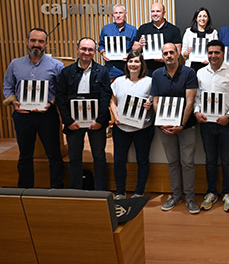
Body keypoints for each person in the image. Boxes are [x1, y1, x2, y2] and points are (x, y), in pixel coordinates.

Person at [2, 28, 64, 188]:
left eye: (41, 41)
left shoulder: (57, 65)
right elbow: (7, 86)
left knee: (54, 155)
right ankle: (25, 190)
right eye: (33, 40)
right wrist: (14, 102)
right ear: (27, 42)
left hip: (47, 115)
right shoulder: (15, 64)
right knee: (25, 155)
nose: (37, 44)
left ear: (46, 44)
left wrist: (50, 103)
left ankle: (56, 190)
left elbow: (62, 89)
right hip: (23, 116)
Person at [56, 37, 112, 190]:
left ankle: (101, 191)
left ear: (95, 52)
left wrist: (100, 120)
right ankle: (76, 191)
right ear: (77, 49)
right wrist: (68, 121)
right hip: (74, 123)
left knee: (99, 156)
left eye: (90, 49)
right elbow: (61, 98)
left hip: (97, 123)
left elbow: (105, 96)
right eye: (83, 49)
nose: (86, 52)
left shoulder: (102, 71)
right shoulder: (66, 72)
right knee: (74, 158)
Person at [151, 43, 199, 213]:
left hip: (186, 127)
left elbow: (190, 101)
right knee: (172, 162)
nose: (169, 55)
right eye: (166, 53)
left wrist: (182, 124)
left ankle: (191, 199)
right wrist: (162, 121)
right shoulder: (157, 74)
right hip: (164, 128)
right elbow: (155, 101)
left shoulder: (189, 73)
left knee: (187, 163)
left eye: (172, 52)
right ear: (162, 56)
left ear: (178, 53)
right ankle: (176, 195)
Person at [194, 40, 229, 213]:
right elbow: (197, 97)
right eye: (210, 52)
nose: (213, 56)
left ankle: (227, 194)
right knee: (210, 160)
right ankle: (211, 192)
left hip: (226, 124)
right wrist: (196, 112)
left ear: (223, 53)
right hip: (206, 124)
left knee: (227, 160)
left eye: (217, 52)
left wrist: (228, 116)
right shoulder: (199, 73)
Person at [109, 52, 154, 199]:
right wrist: (116, 118)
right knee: (119, 160)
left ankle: (139, 192)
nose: (133, 64)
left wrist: (150, 104)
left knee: (142, 160)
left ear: (142, 64)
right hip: (121, 128)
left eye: (136, 61)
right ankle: (120, 192)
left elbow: (154, 101)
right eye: (130, 61)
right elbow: (113, 102)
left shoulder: (150, 82)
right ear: (126, 64)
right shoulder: (118, 81)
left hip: (143, 128)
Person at [133, 2, 182, 74]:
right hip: (147, 69)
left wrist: (165, 58)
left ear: (164, 13)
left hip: (168, 69)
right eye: (153, 11)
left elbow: (178, 52)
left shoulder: (174, 29)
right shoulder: (143, 28)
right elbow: (134, 50)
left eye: (158, 11)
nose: (155, 14)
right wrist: (139, 45)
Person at [98, 4, 137, 79]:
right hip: (109, 70)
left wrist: (129, 55)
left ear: (125, 14)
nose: (118, 16)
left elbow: (135, 49)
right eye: (116, 13)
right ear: (113, 15)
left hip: (126, 70)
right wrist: (103, 52)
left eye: (121, 13)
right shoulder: (106, 29)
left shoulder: (133, 30)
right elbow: (101, 45)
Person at [181, 7, 218, 71]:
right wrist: (188, 53)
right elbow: (183, 52)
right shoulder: (189, 32)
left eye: (205, 16)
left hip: (208, 66)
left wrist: (210, 60)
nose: (202, 18)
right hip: (192, 66)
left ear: (208, 19)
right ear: (196, 18)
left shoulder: (213, 33)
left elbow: (216, 50)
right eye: (200, 16)